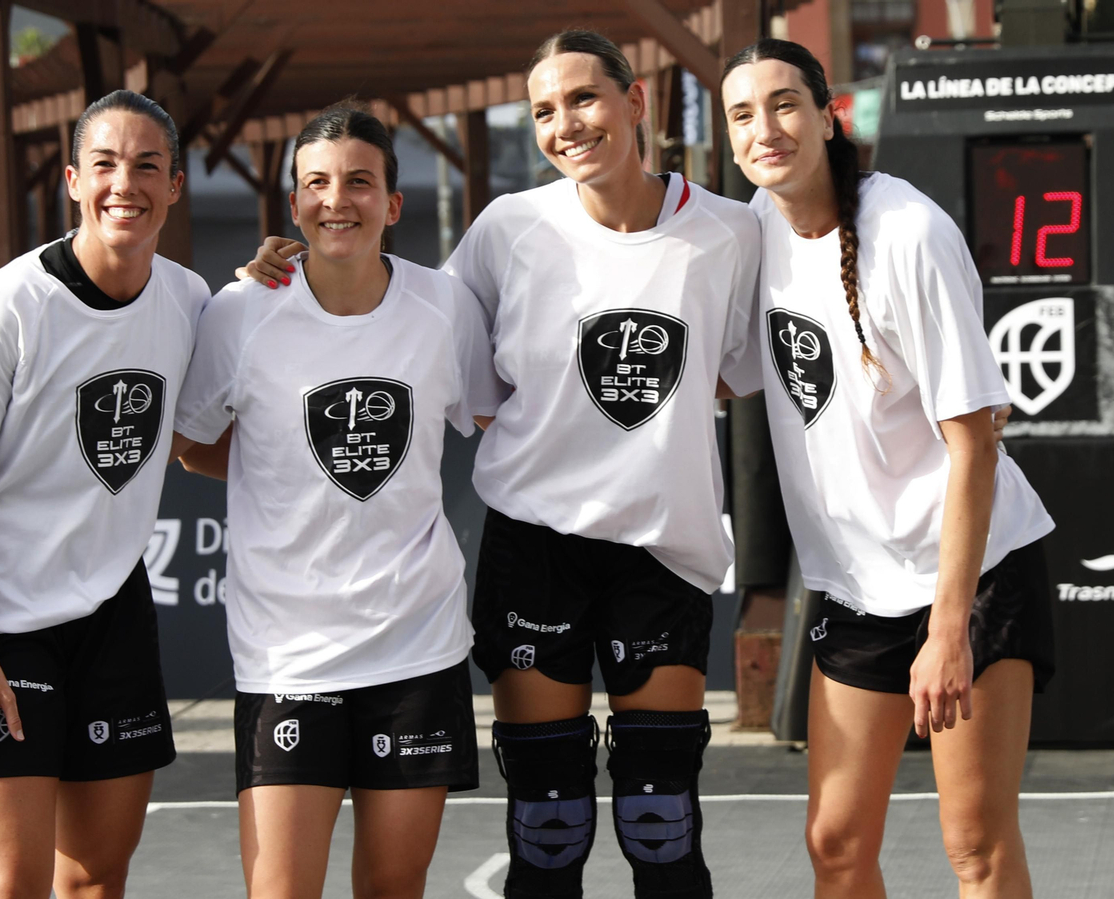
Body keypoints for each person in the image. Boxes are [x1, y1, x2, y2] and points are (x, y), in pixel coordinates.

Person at [240, 30, 763, 899]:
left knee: (660, 820)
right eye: (545, 111)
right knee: (548, 828)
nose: (566, 124)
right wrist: (288, 273)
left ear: (636, 104)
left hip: (664, 552)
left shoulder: (732, 231)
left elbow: (734, 367)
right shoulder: (508, 228)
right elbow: (403, 314)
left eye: (584, 99)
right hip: (537, 548)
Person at [719, 40, 1056, 898]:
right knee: (835, 842)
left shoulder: (908, 233)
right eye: (743, 114)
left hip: (970, 575)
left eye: (785, 104)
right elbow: (712, 371)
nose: (767, 128)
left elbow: (975, 442)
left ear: (829, 114)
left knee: (974, 842)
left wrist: (949, 632)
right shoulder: (753, 229)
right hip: (858, 589)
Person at [168, 103, 501, 899]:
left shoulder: (445, 308)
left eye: (359, 181)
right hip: (288, 651)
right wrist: (277, 470)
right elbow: (186, 441)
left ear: (393, 202)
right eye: (316, 183)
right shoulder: (241, 310)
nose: (336, 199)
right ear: (294, 204)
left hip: (415, 644)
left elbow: (494, 418)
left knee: (393, 887)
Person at [0, 89, 209, 899]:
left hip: (108, 607)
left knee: (96, 876)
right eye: (105, 165)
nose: (126, 184)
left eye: (148, 166)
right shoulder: (3, 311)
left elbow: (191, 443)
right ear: (74, 180)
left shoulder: (190, 302)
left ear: (174, 186)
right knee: (10, 887)